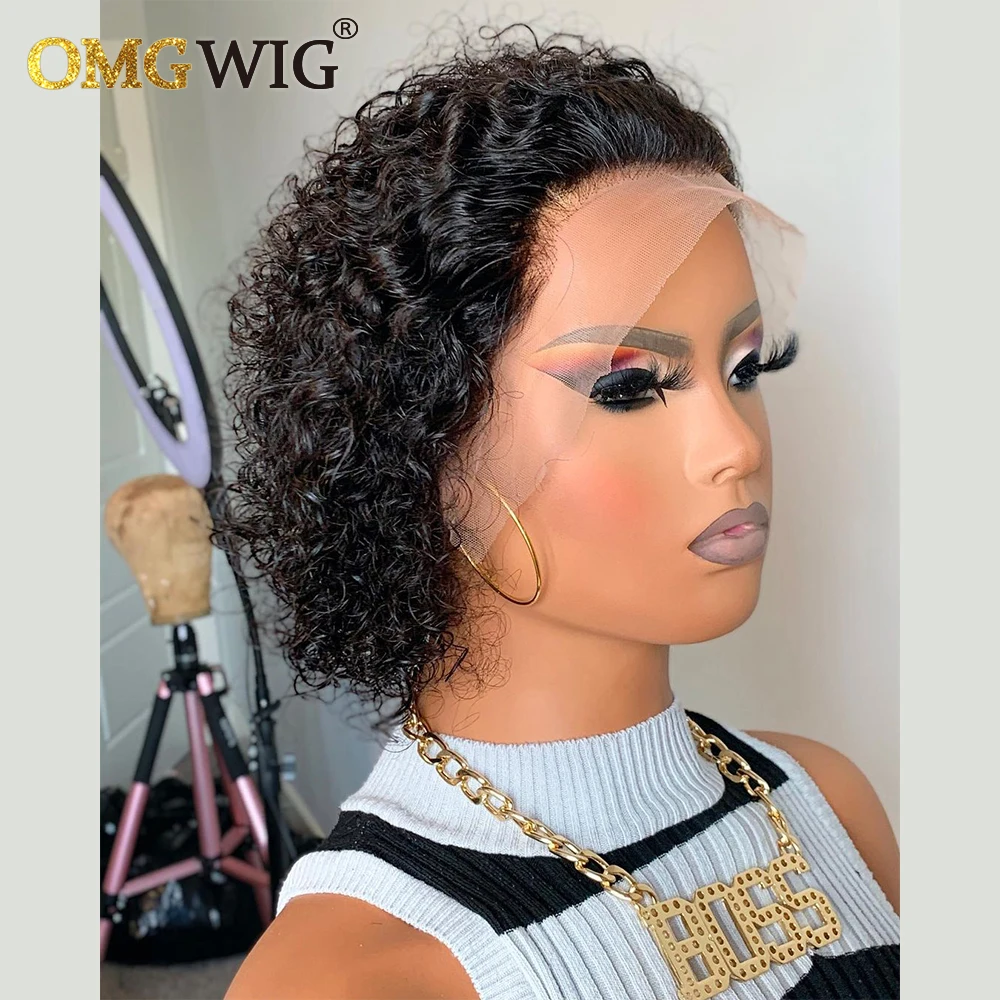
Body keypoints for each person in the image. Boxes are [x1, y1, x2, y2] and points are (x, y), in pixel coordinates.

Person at [221, 25, 899, 1000]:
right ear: (419, 443)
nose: (735, 444)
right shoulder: (358, 974)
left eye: (746, 368)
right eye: (627, 387)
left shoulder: (825, 802)